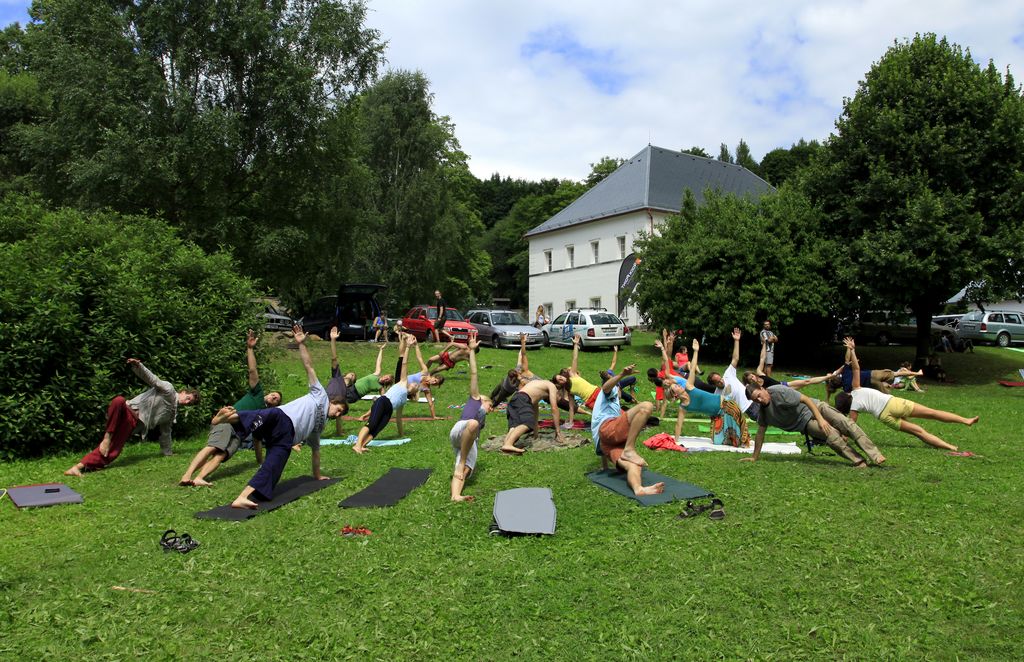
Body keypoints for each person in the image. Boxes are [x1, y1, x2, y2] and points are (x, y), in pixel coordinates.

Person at [210, 325, 345, 509]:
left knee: (273, 466)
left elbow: (315, 453)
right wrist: (301, 344)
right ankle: (227, 417)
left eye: (340, 415)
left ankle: (243, 496)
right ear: (333, 401)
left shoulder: (319, 428)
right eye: (339, 409)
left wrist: (317, 476)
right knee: (261, 415)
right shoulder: (320, 394)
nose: (337, 414)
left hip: (285, 438)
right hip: (282, 417)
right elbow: (309, 366)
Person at [178, 330, 283, 486]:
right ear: (268, 393)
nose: (273, 397)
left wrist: (260, 461)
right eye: (273, 394)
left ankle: (200, 478)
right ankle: (186, 476)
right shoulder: (257, 394)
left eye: (276, 400)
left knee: (220, 455)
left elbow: (257, 440)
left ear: (275, 405)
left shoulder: (265, 415)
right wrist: (250, 349)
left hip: (239, 436)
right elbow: (253, 371)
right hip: (227, 423)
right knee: (212, 447)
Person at [834, 338, 977, 451]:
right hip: (894, 405)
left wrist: (842, 437)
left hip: (885, 417)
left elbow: (851, 427)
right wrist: (852, 350)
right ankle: (965, 420)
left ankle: (950, 447)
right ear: (847, 394)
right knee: (933, 413)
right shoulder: (856, 388)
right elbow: (856, 367)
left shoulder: (853, 410)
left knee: (918, 432)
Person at [65, 359, 199, 476]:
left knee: (113, 451)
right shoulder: (168, 389)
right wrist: (138, 366)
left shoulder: (171, 414)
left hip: (131, 422)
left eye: (190, 403)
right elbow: (152, 379)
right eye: (188, 398)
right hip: (127, 409)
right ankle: (107, 437)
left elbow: (166, 432)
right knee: (119, 400)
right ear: (182, 392)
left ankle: (79, 467)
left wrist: (168, 452)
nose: (186, 402)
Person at [743, 382, 885, 467]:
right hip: (805, 422)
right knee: (832, 436)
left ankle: (875, 455)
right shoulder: (764, 413)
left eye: (759, 395)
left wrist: (822, 420)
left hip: (817, 407)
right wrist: (755, 457)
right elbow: (760, 434)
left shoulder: (779, 391)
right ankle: (859, 461)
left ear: (762, 388)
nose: (760, 400)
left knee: (846, 424)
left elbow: (806, 399)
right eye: (756, 400)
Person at [591, 365, 665, 496]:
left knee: (633, 465)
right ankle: (629, 449)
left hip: (605, 443)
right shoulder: (609, 392)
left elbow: (603, 441)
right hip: (607, 429)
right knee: (646, 406)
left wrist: (605, 468)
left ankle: (639, 489)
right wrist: (621, 374)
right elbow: (606, 387)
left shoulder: (610, 407)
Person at [661, 339, 751, 447]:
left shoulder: (689, 387)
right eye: (676, 387)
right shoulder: (683, 407)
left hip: (726, 405)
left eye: (676, 384)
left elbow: (693, 367)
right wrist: (675, 441)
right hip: (716, 415)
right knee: (717, 442)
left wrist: (695, 351)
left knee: (740, 442)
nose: (679, 385)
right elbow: (678, 424)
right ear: (675, 394)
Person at [352, 334, 423, 454]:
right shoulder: (403, 382)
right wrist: (408, 347)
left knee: (377, 429)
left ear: (415, 392)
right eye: (415, 383)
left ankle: (363, 445)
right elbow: (404, 364)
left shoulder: (404, 400)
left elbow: (399, 418)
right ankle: (357, 445)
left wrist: (401, 433)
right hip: (383, 402)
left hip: (389, 410)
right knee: (372, 423)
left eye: (416, 386)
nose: (415, 384)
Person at [449, 333, 491, 502]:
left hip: (470, 441)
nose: (489, 407)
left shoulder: (483, 418)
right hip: (460, 430)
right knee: (473, 424)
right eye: (488, 403)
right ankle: (462, 461)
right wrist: (472, 351)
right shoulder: (476, 400)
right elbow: (474, 373)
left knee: (466, 470)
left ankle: (456, 495)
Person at [501, 369, 564, 455]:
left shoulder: (539, 385)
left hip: (515, 398)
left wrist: (536, 432)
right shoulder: (552, 386)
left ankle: (506, 443)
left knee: (515, 425)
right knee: (528, 422)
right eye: (559, 398)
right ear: (558, 392)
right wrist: (558, 432)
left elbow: (535, 411)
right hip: (523, 399)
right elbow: (554, 408)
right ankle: (508, 444)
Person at [706, 328, 759, 420]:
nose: (721, 381)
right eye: (718, 382)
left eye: (720, 378)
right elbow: (715, 410)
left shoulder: (728, 374)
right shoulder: (717, 395)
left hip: (756, 396)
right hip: (749, 408)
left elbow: (735, 359)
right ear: (714, 385)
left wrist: (736, 340)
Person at [552, 334, 603, 420]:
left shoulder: (573, 375)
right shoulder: (569, 391)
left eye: (560, 376)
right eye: (559, 379)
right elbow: (571, 408)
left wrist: (575, 345)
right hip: (589, 402)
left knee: (612, 410)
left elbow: (574, 358)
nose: (561, 378)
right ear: (559, 384)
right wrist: (571, 422)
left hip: (596, 392)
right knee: (602, 415)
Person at [406, 339, 446, 418]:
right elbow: (419, 358)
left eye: (436, 384)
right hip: (400, 381)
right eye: (435, 380)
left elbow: (431, 403)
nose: (433, 383)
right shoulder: (425, 372)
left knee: (414, 396)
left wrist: (434, 416)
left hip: (406, 391)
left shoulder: (426, 389)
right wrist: (416, 345)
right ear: (433, 376)